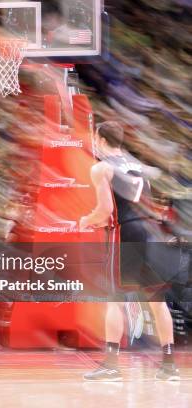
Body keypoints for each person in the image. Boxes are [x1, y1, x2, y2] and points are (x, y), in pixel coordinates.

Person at [79, 121, 185, 381]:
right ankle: (169, 366)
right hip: (151, 235)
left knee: (114, 300)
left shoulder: (101, 168)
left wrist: (86, 220)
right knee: (157, 303)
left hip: (126, 234)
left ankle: (111, 365)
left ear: (100, 138)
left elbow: (105, 210)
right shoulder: (138, 166)